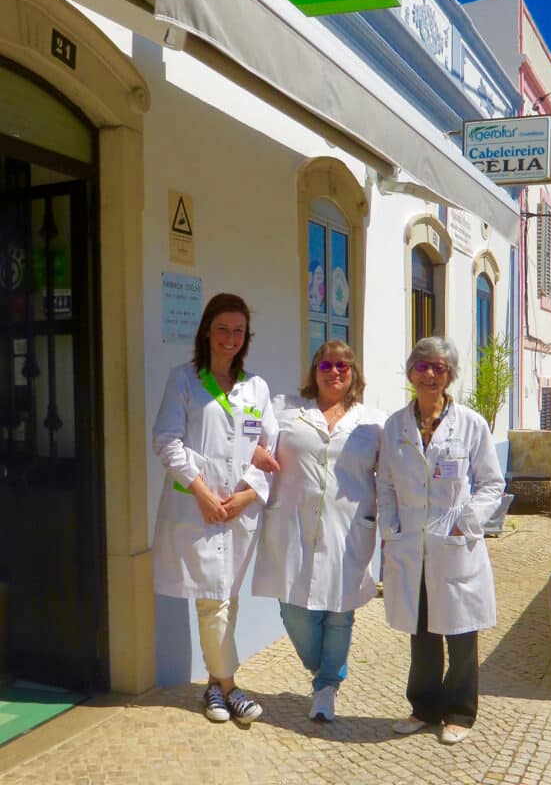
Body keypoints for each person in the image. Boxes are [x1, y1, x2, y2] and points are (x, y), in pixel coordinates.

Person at [152, 292, 278, 724]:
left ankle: (211, 687)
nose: (230, 338)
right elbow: (167, 442)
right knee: (212, 599)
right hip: (198, 509)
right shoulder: (184, 380)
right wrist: (204, 493)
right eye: (222, 328)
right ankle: (230, 685)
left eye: (238, 330)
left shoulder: (256, 388)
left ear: (246, 337)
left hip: (239, 512)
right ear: (207, 329)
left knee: (227, 596)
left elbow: (269, 450)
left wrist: (246, 496)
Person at [377, 336, 504, 745]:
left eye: (439, 368)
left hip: (454, 545)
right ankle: (424, 708)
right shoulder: (395, 426)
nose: (430, 374)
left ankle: (460, 714)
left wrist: (464, 523)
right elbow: (386, 486)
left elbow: (491, 484)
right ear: (410, 373)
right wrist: (390, 530)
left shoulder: (470, 424)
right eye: (422, 366)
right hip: (412, 546)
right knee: (423, 634)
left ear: (449, 376)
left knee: (462, 635)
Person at [252, 340, 384, 722]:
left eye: (343, 366)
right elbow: (244, 436)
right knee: (293, 608)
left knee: (340, 611)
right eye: (326, 365)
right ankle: (321, 668)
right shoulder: (285, 410)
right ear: (315, 371)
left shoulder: (373, 421)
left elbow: (391, 474)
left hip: (349, 526)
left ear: (354, 373)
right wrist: (254, 454)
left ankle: (327, 686)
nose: (335, 372)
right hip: (291, 524)